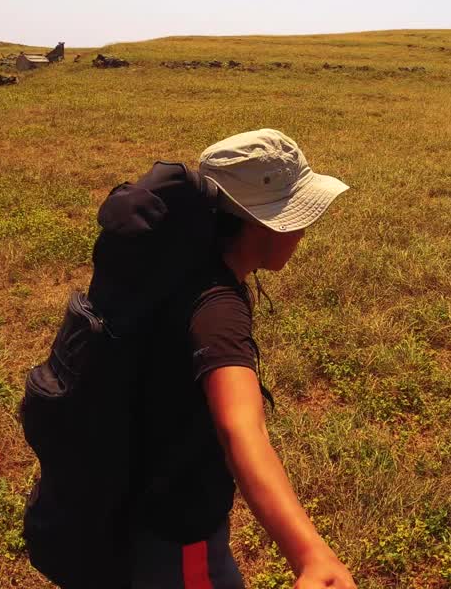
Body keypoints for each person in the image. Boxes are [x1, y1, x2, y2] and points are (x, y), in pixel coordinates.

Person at [124, 128, 356, 589]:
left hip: (142, 501)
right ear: (260, 221)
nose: (303, 230)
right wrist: (311, 556)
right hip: (177, 533)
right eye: (297, 216)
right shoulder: (216, 308)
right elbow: (240, 428)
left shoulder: (182, 261)